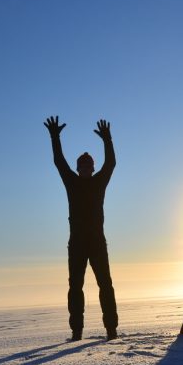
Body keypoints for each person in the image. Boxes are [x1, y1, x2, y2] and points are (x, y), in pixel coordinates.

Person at [44, 115, 118, 341]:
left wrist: (107, 139)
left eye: (88, 166)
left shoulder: (99, 182)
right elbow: (59, 162)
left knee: (105, 285)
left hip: (97, 242)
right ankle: (76, 331)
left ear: (92, 168)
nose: (85, 168)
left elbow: (111, 163)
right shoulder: (72, 182)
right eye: (82, 166)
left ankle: (111, 330)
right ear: (77, 169)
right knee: (75, 287)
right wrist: (55, 137)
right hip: (76, 244)